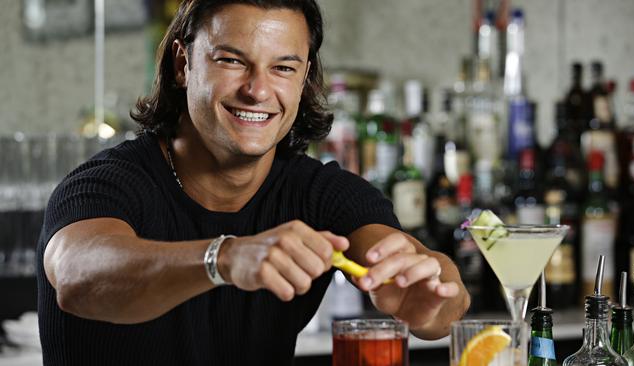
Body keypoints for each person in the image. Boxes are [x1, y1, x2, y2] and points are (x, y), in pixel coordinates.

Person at [37, 0, 470, 365]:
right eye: (231, 60)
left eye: (283, 67)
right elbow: (78, 277)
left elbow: (436, 287)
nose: (258, 91)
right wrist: (224, 258)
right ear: (182, 63)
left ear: (304, 81)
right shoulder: (105, 185)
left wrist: (429, 299)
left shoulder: (319, 194)